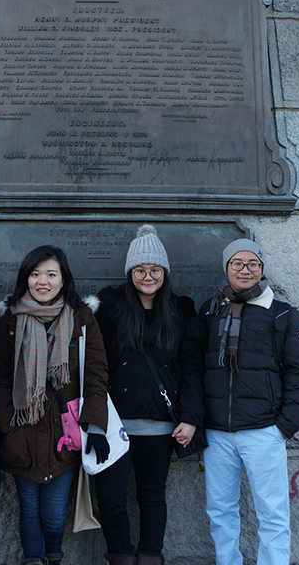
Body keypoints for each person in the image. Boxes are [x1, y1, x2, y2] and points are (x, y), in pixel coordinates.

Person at [93, 224, 205, 565]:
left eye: (155, 270)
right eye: (140, 270)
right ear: (131, 272)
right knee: (110, 499)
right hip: (114, 424)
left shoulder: (180, 311)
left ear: (164, 272)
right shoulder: (110, 309)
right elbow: (94, 365)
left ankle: (150, 557)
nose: (147, 276)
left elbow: (191, 369)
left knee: (152, 496)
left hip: (159, 426)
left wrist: (191, 419)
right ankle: (120, 558)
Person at [0, 245, 109, 565]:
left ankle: (53, 559)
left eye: (50, 274)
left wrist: (95, 426)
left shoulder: (81, 317)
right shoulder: (11, 318)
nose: (42, 281)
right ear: (25, 279)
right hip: (22, 431)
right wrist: (8, 426)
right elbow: (0, 377)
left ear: (63, 280)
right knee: (29, 511)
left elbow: (96, 373)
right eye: (35, 274)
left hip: (64, 434)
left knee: (55, 514)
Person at [200, 238, 299, 565]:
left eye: (252, 264)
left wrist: (285, 427)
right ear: (226, 267)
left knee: (273, 514)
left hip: (264, 431)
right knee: (220, 511)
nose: (245, 270)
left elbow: (298, 371)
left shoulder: (282, 314)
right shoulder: (210, 310)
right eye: (237, 263)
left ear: (261, 269)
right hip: (218, 432)